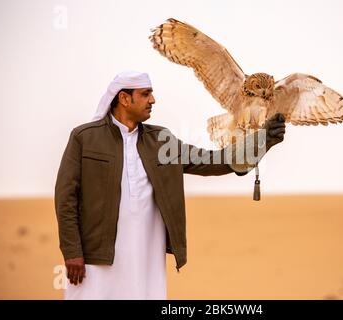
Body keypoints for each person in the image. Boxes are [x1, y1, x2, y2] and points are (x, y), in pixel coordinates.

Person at [54, 70, 286, 299]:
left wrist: (263, 140)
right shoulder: (84, 138)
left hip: (147, 256)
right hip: (98, 258)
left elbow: (213, 161)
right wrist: (72, 251)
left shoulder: (160, 140)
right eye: (145, 94)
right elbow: (66, 198)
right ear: (124, 99)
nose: (152, 100)